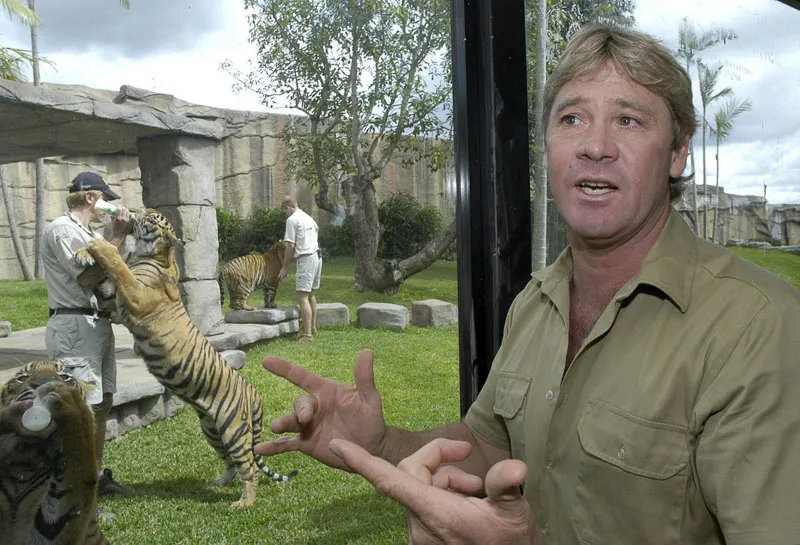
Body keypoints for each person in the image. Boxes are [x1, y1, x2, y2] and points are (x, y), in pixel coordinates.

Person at [256, 25, 800, 544]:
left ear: (678, 152)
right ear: (547, 148)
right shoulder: (536, 302)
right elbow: (489, 448)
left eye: (629, 120)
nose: (595, 146)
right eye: (572, 119)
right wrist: (380, 442)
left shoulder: (757, 327)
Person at [41, 171, 135, 518]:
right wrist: (118, 235)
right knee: (81, 414)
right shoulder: (62, 230)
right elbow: (87, 276)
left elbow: (104, 281)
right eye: (106, 200)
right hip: (74, 328)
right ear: (91, 198)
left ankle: (92, 482)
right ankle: (76, 500)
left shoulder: (90, 235)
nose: (109, 207)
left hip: (96, 325)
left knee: (101, 404)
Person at [279, 196, 322, 343]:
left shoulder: (292, 220)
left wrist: (285, 267)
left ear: (287, 207)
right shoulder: (307, 217)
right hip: (317, 256)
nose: (285, 214)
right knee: (310, 294)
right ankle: (313, 327)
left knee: (302, 296)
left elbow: (290, 246)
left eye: (284, 211)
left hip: (306, 258)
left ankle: (307, 335)